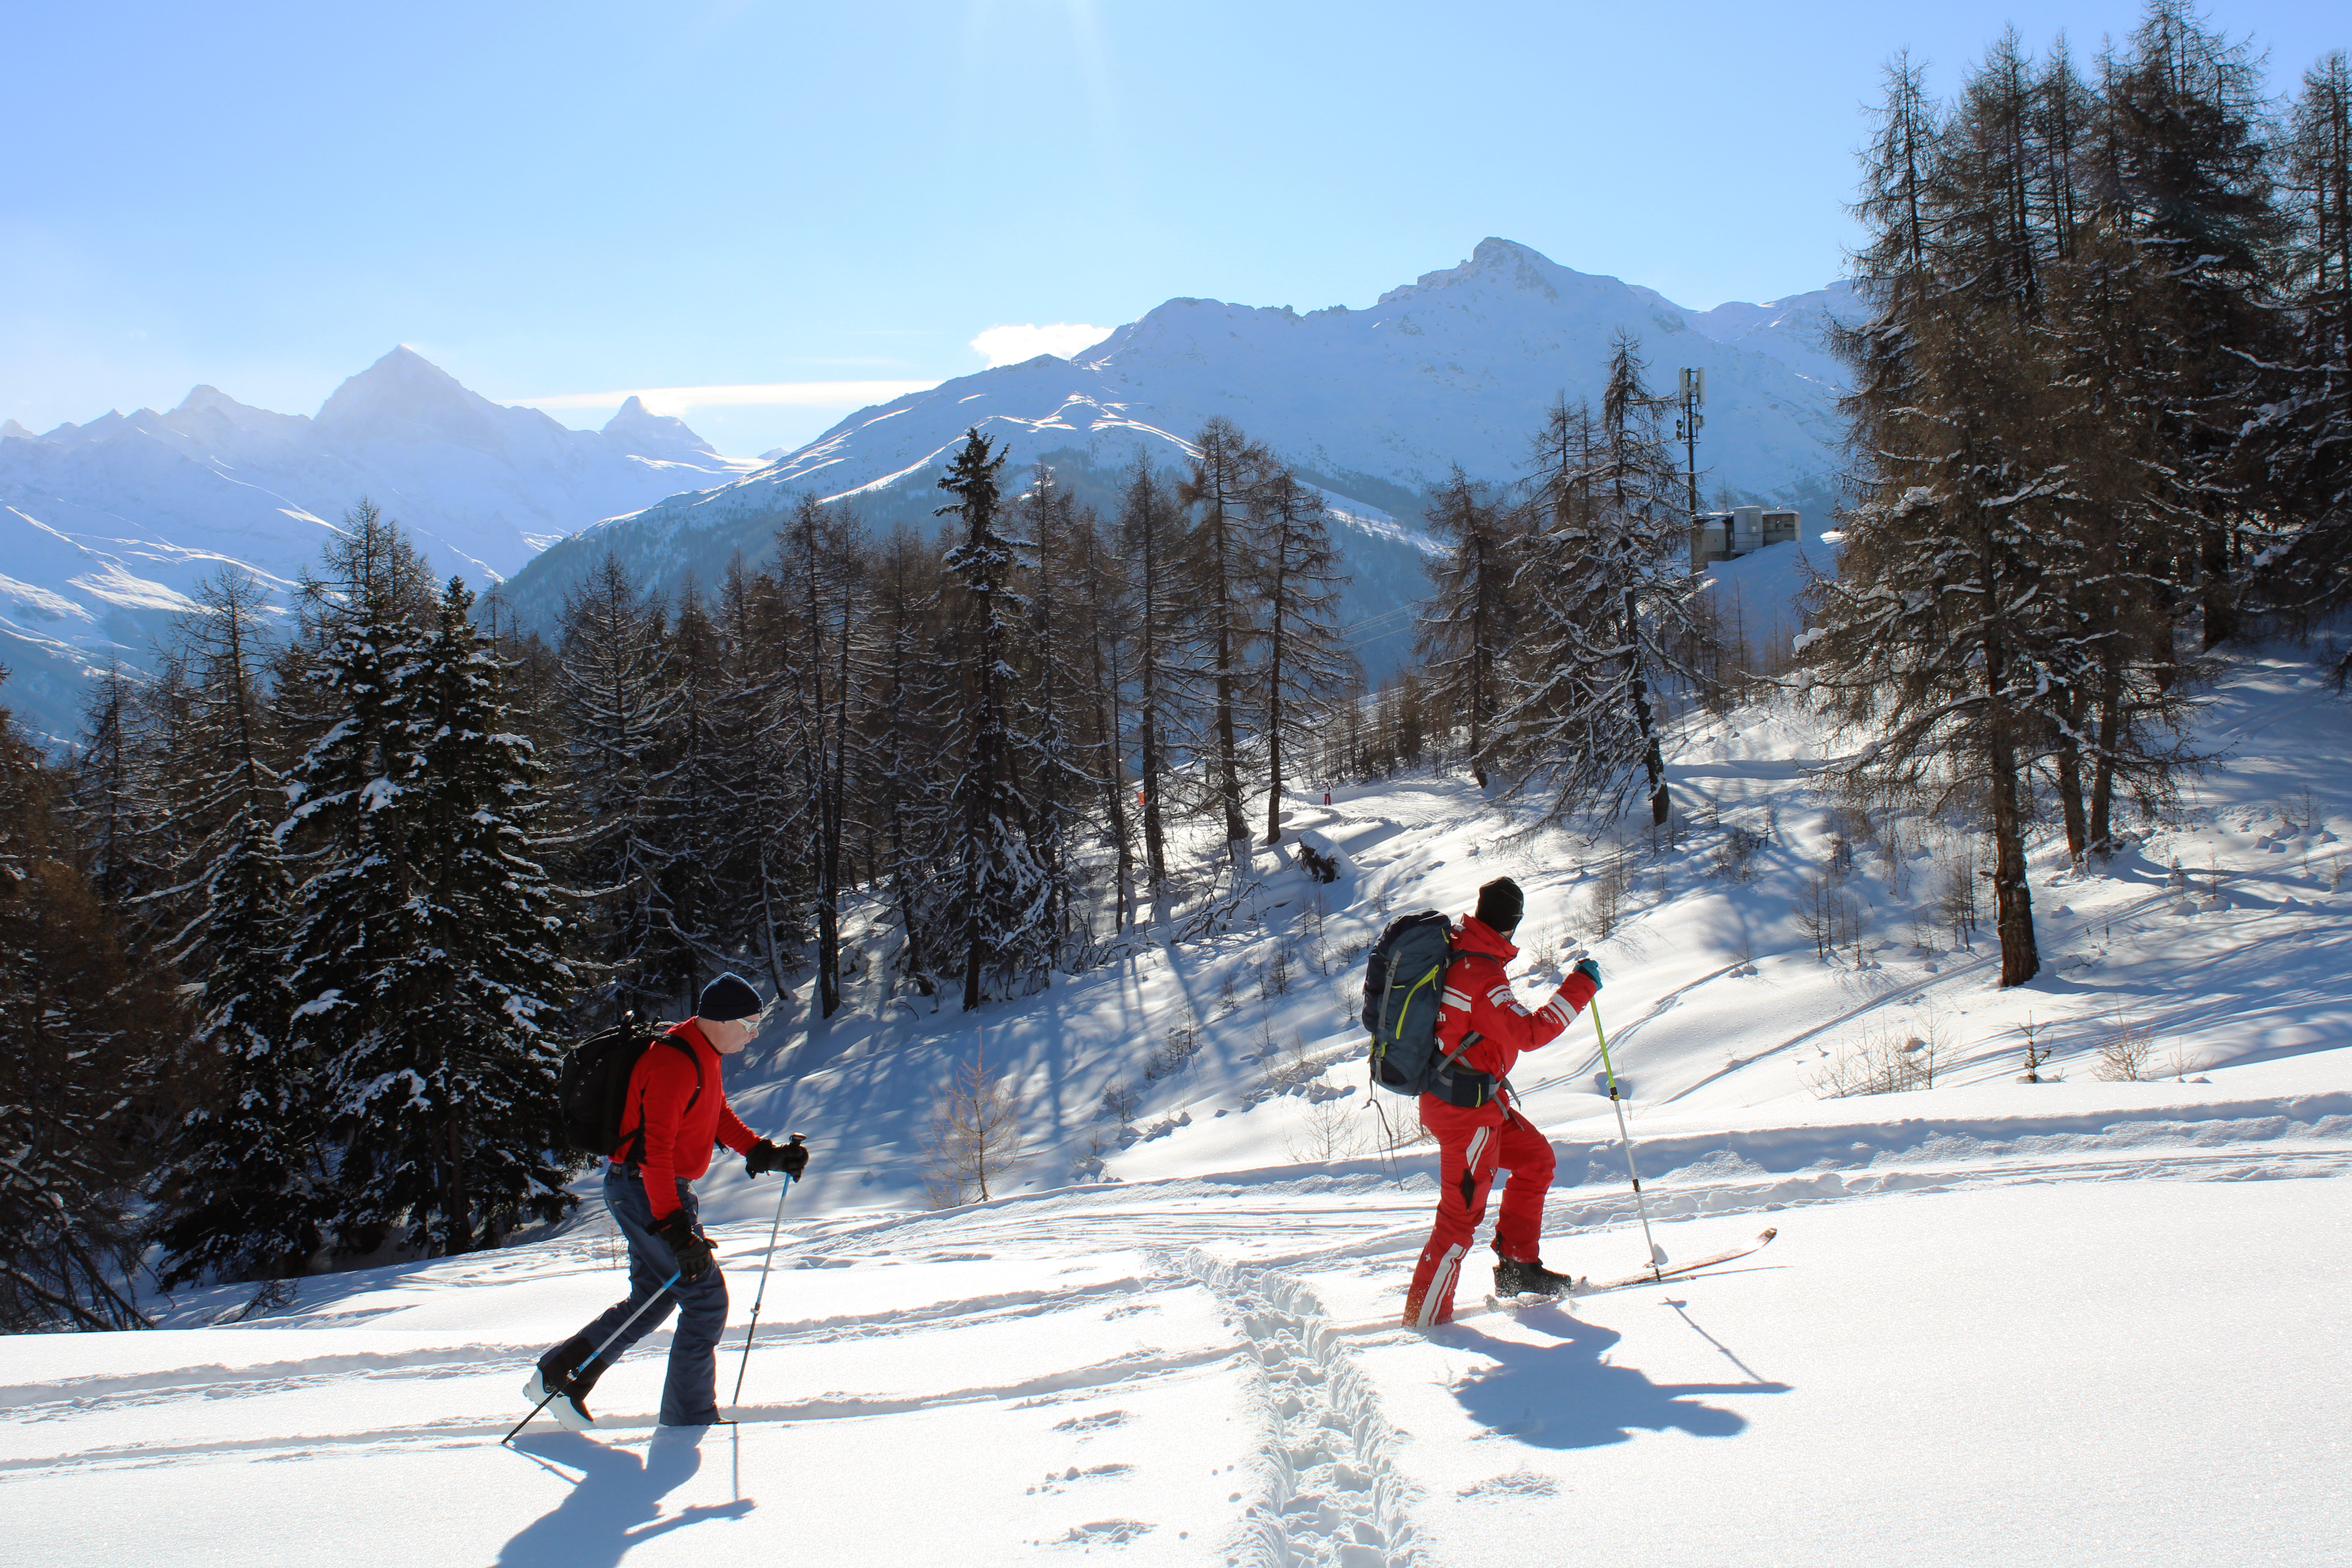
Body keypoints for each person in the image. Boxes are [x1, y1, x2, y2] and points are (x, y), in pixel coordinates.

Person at [526, 973, 809, 1428]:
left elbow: (714, 1110)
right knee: (705, 1300)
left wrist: (762, 1152)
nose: (755, 1032)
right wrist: (675, 1228)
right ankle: (689, 1419)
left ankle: (561, 1375)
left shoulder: (702, 1051)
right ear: (719, 1021)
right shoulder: (676, 1062)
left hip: (649, 1189)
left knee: (652, 1297)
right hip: (646, 1189)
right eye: (750, 1022)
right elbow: (653, 1151)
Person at [1401, 877, 1601, 1328]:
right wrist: (1581, 986)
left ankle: (1517, 1266)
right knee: (1458, 1223)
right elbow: (1530, 1033)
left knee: (1536, 1160)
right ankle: (1424, 1325)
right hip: (1465, 1114)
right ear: (1513, 924)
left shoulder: (1462, 951)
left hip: (1477, 1102)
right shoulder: (1482, 974)